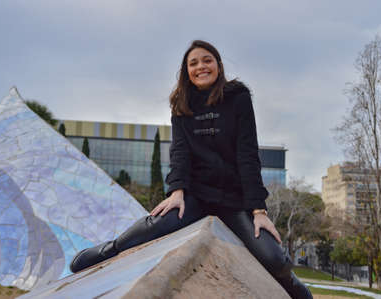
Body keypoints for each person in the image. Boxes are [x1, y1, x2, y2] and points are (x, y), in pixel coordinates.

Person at [70, 40, 312, 299]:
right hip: (197, 196)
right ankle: (109, 249)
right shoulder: (181, 104)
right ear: (186, 71)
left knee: (274, 259)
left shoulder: (238, 97)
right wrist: (177, 192)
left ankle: (293, 286)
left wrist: (258, 210)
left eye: (207, 60)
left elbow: (248, 154)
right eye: (193, 63)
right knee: (155, 225)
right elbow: (180, 153)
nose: (201, 67)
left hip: (235, 201)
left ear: (218, 65)